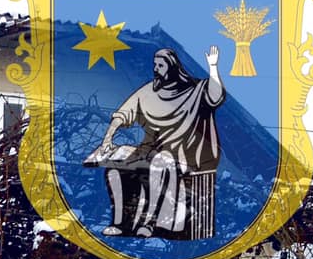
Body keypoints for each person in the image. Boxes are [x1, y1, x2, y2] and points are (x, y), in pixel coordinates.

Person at [85, 45, 226, 239]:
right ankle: (120, 223)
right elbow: (124, 113)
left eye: (160, 65)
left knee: (161, 163)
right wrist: (108, 137)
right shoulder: (149, 91)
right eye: (155, 65)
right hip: (149, 151)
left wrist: (213, 68)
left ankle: (149, 224)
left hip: (182, 156)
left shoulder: (193, 90)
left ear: (172, 67)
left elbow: (215, 96)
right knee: (114, 169)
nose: (156, 69)